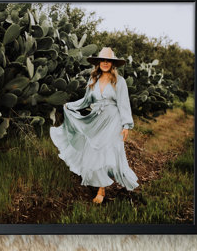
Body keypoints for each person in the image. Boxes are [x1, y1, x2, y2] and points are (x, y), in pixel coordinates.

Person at [49, 47, 139, 204]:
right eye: (102, 60)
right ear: (98, 63)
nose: (105, 63)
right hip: (96, 120)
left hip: (113, 120)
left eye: (108, 61)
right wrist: (70, 106)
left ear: (113, 64)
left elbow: (124, 104)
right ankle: (101, 184)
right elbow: (86, 101)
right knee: (94, 151)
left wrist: (126, 125)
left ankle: (101, 191)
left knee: (105, 151)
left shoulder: (120, 81)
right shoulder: (93, 80)